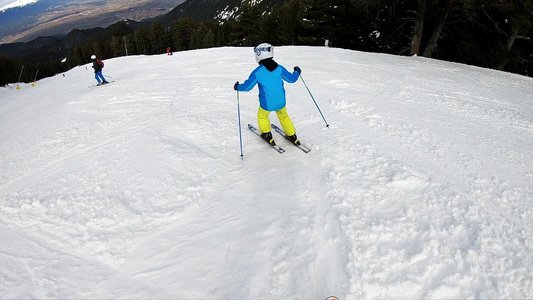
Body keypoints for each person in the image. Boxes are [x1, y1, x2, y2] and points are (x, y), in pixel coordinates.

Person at [234, 43, 302, 146]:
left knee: (262, 116)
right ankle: (292, 135)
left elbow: (247, 87)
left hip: (267, 104)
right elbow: (291, 79)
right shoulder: (279, 68)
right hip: (281, 102)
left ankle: (267, 135)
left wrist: (237, 87)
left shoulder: (257, 72)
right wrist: (297, 72)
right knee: (284, 116)